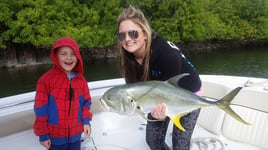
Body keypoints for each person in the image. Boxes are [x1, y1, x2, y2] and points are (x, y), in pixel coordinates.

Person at [116, 5, 202, 150]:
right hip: (157, 95)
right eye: (122, 35)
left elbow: (172, 92)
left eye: (133, 33)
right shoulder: (127, 58)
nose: (127, 39)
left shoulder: (167, 55)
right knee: (153, 140)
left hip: (188, 94)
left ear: (144, 33)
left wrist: (164, 113)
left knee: (180, 144)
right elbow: (137, 90)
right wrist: (156, 113)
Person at [33, 37, 92, 150]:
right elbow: (40, 110)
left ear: (78, 57)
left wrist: (86, 122)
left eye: (73, 54)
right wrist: (43, 134)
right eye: (63, 54)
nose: (69, 58)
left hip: (76, 135)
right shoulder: (45, 80)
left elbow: (86, 103)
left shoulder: (82, 81)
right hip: (54, 137)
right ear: (56, 56)